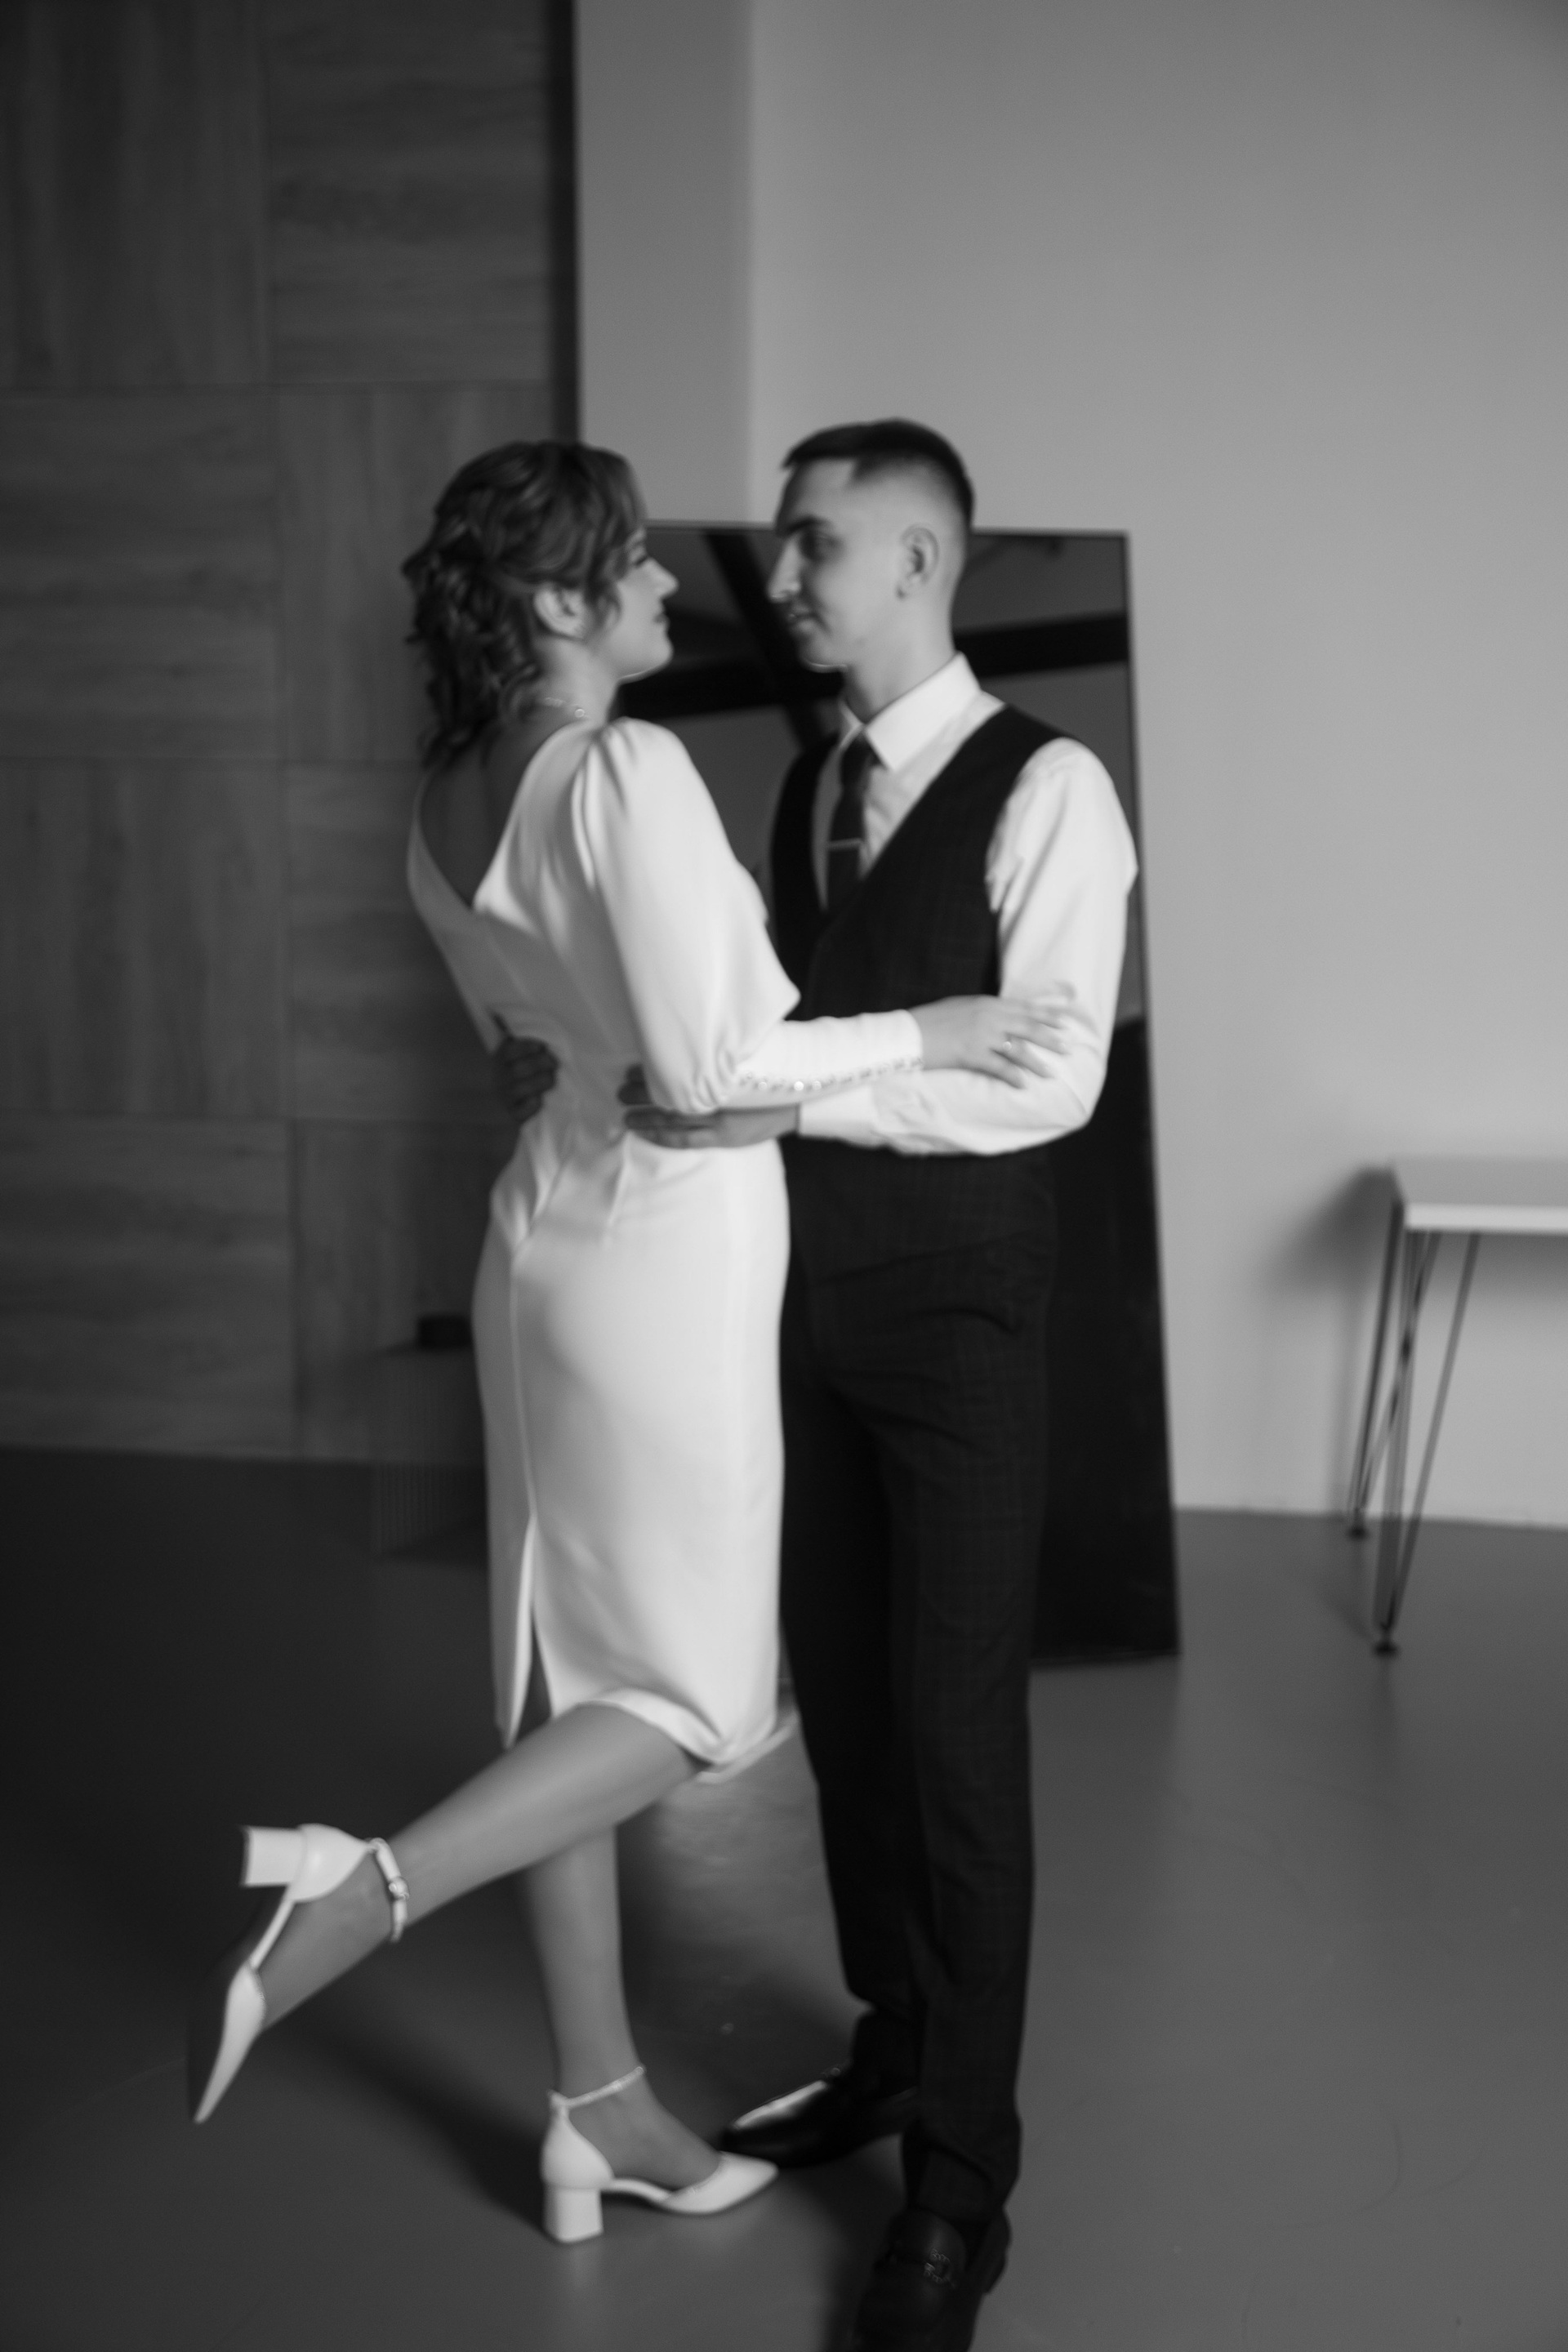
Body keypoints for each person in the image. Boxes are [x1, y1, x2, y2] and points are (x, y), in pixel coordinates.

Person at [185, 440, 1068, 2253]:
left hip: (537, 1242)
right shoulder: (625, 768)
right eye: (636, 563)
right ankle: (364, 1890)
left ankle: (598, 2105)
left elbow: (521, 1051)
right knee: (698, 1704)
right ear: (556, 601)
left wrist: (612, 1057)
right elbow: (715, 1070)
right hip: (663, 1252)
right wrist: (936, 1025)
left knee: (564, 1679)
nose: (676, 584)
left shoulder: (445, 796)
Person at [622, 421, 1138, 2352]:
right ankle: (899, 2045)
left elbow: (1050, 1079)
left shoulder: (1052, 788)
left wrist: (803, 1101)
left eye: (813, 543)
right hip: (804, 1313)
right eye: (780, 544)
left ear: (919, 561)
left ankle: (961, 2189)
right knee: (845, 1707)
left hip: (961, 1329)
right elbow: (765, 1038)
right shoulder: (806, 785)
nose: (780, 576)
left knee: (958, 1741)